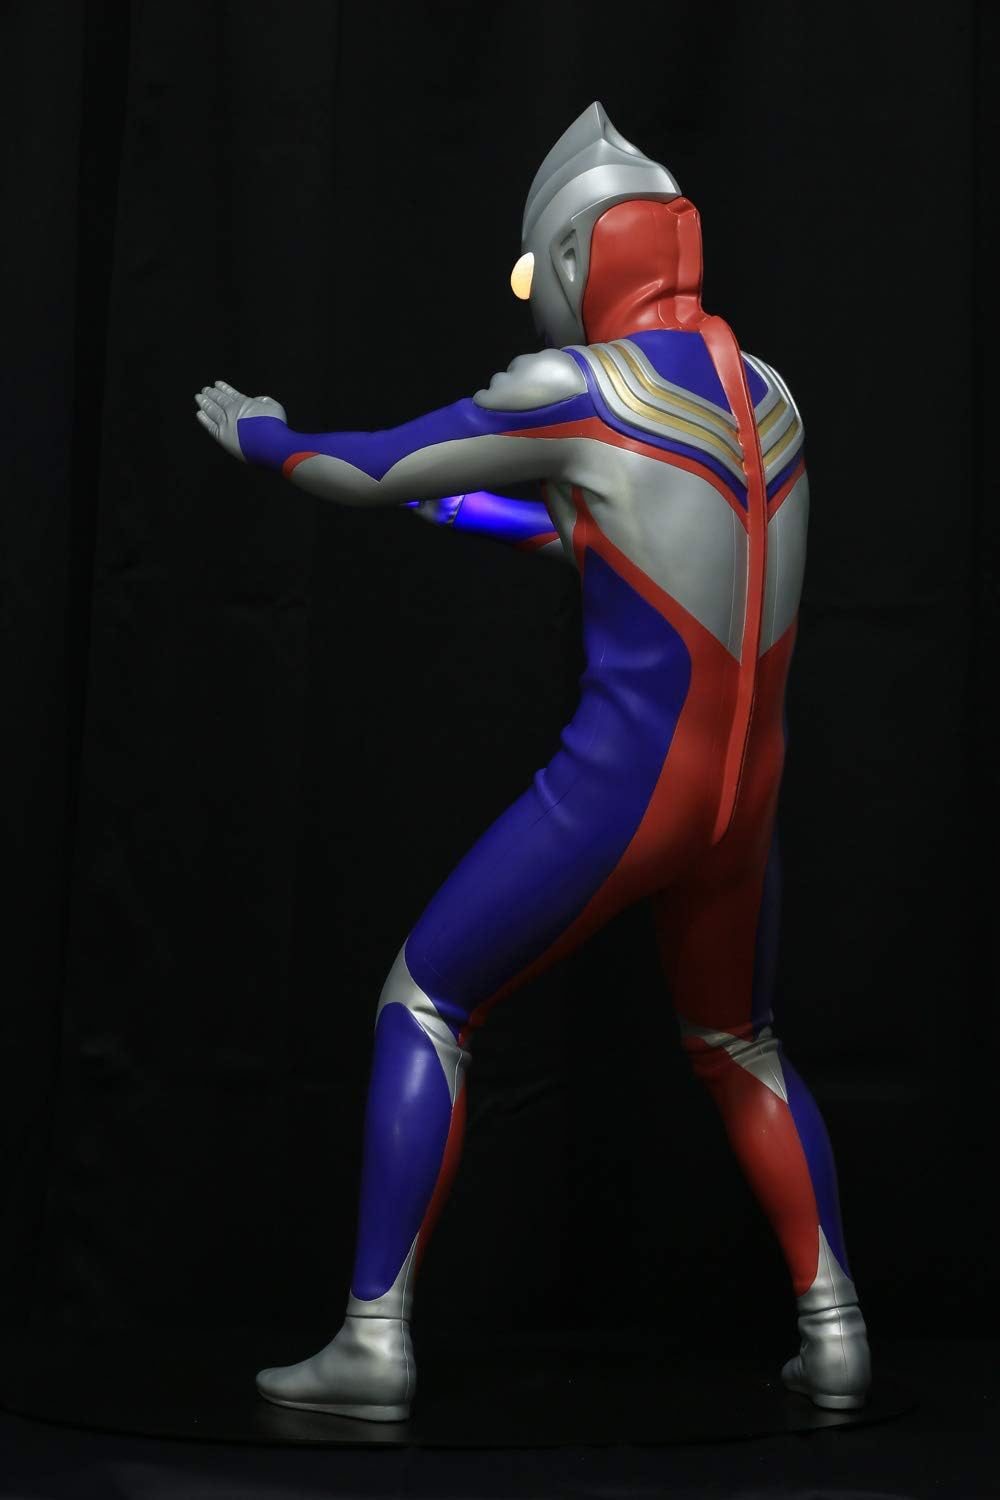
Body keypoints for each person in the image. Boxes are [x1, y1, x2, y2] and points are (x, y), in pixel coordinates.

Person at [195, 101, 871, 1420]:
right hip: (744, 808)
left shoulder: (579, 391)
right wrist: (475, 504)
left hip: (630, 788)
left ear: (573, 258)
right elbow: (631, 540)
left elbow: (365, 468)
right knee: (739, 1041)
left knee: (425, 1000)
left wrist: (266, 437)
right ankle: (836, 1331)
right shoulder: (767, 396)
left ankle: (373, 1342)